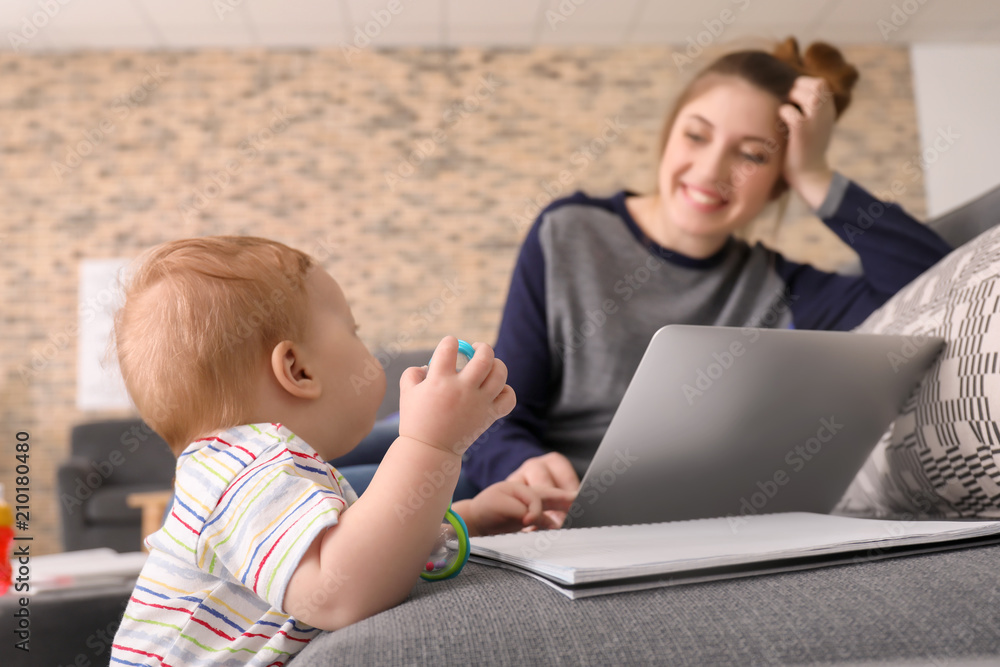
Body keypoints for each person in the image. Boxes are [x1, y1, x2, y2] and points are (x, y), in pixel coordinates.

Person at [460, 37, 954, 501]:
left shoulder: (789, 292)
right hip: (541, 501)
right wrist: (521, 464)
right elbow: (498, 420)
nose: (712, 170)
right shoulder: (568, 231)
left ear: (779, 184)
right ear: (669, 135)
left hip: (666, 522)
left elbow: (943, 291)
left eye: (752, 155)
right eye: (697, 135)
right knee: (392, 453)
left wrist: (815, 174)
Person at [108, 236, 573, 666]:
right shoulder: (240, 469)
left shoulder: (269, 469)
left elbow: (357, 546)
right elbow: (336, 591)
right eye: (353, 330)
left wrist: (465, 520)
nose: (365, 345)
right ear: (297, 369)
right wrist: (432, 443)